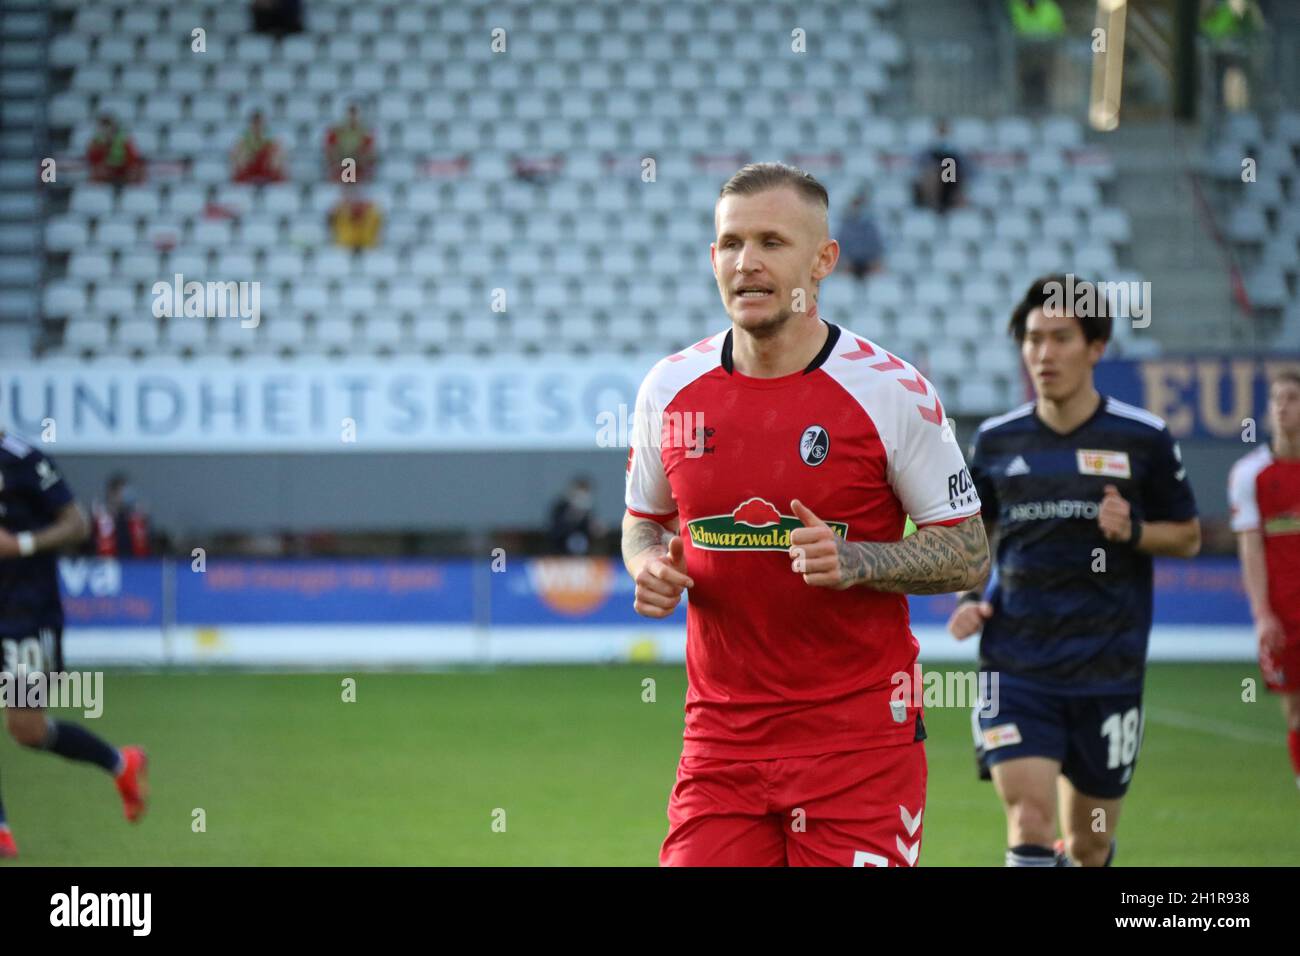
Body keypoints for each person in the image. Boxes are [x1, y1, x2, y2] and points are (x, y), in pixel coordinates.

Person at [622, 162, 989, 867]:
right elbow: (644, 520)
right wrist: (648, 566)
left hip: (860, 747)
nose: (747, 262)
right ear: (711, 259)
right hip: (720, 746)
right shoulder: (669, 390)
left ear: (823, 261)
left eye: (771, 241)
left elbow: (970, 551)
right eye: (730, 243)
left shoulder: (892, 392)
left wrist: (859, 561)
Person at [948, 275, 1201, 867]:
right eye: (1033, 339)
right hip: (1016, 666)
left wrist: (1133, 530)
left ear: (1095, 347)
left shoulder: (1145, 439)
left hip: (1107, 672)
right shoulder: (995, 440)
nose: (1043, 353)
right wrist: (968, 595)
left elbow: (1188, 536)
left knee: (1087, 845)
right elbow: (975, 535)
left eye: (1060, 338)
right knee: (1029, 820)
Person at [0, 431, 148, 859]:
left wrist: (21, 544)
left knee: (26, 729)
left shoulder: (24, 460)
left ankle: (121, 763)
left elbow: (77, 523)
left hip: (26, 615)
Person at [1228, 369, 1300, 791]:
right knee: (1294, 712)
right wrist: (1262, 615)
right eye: (1276, 399)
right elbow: (1250, 547)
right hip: (1285, 614)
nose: (1282, 406)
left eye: (1291, 397)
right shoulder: (1250, 474)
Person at [1008, 0, 1066, 114]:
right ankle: (1023, 111)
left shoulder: (1050, 8)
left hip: (1043, 57)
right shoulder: (1015, 7)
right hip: (1023, 58)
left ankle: (1042, 112)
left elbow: (1058, 32)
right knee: (1024, 86)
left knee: (1042, 85)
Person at [91, 473, 150, 558]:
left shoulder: (136, 518)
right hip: (108, 566)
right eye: (121, 492)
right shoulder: (99, 518)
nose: (125, 496)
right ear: (111, 493)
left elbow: (146, 547)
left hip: (134, 565)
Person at [913, 120, 966, 214]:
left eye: (945, 132)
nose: (943, 136)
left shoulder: (958, 155)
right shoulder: (926, 154)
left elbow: (965, 174)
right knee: (932, 172)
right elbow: (920, 172)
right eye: (941, 132)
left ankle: (947, 207)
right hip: (930, 192)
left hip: (951, 186)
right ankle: (934, 205)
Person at [548, 476, 604, 555]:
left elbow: (592, 533)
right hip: (560, 554)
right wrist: (572, 516)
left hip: (584, 556)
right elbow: (555, 531)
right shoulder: (561, 508)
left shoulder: (588, 512)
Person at [836, 191, 884, 280]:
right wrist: (845, 260)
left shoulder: (871, 226)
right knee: (841, 271)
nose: (857, 208)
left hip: (868, 263)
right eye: (855, 205)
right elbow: (840, 246)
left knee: (879, 272)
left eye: (859, 205)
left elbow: (877, 246)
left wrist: (873, 260)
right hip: (850, 263)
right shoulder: (845, 226)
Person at [85, 113, 145, 185]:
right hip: (105, 171)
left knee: (136, 173)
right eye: (103, 128)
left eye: (108, 127)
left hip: (123, 169)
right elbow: (92, 159)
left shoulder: (124, 139)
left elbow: (133, 159)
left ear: (113, 127)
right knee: (96, 172)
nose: (105, 131)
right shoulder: (96, 141)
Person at [324, 103, 378, 183]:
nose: (352, 117)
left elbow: (370, 151)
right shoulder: (336, 130)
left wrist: (363, 159)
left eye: (354, 114)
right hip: (341, 166)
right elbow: (330, 149)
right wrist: (336, 160)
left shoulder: (365, 130)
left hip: (359, 167)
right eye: (350, 113)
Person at [231, 111, 287, 184]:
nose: (257, 126)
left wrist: (275, 161)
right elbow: (235, 156)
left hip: (266, 167)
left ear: (263, 124)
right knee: (241, 154)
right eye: (255, 123)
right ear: (251, 124)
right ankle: (242, 183)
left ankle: (276, 182)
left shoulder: (271, 137)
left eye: (259, 123)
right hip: (249, 167)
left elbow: (280, 154)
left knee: (277, 153)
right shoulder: (244, 138)